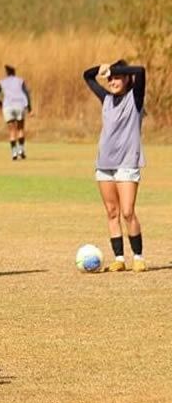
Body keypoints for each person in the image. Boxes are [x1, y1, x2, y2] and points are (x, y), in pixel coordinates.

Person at [83, 59, 147, 272]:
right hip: (104, 164)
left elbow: (140, 70)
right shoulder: (106, 99)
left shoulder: (135, 98)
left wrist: (115, 68)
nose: (112, 80)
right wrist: (101, 68)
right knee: (112, 212)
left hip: (127, 163)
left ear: (127, 79)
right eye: (110, 78)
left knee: (128, 212)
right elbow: (87, 76)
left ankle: (138, 256)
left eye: (117, 77)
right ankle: (119, 259)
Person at [0, 65, 32, 159]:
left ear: (7, 73)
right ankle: (21, 149)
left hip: (8, 106)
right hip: (19, 105)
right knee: (20, 128)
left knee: (11, 130)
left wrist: (0, 103)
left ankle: (14, 152)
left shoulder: (2, 82)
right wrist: (29, 107)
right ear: (14, 73)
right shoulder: (20, 81)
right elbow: (26, 93)